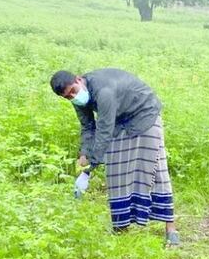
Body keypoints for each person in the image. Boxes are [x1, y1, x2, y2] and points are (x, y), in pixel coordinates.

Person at [50, 68, 180, 244]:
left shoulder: (104, 92)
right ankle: (121, 227)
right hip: (120, 120)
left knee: (155, 169)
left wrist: (87, 172)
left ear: (79, 80)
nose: (73, 97)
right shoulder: (78, 100)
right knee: (116, 172)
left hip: (145, 114)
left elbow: (104, 132)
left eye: (73, 91)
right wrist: (84, 154)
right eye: (68, 97)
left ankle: (170, 229)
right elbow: (88, 127)